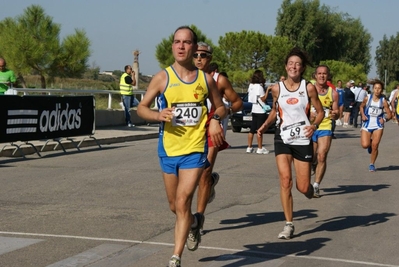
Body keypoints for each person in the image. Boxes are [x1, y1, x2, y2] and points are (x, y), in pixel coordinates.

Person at [137, 26, 226, 267]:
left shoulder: (205, 79)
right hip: (168, 149)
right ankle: (195, 222)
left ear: (194, 47)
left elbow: (220, 107)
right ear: (172, 46)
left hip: (195, 150)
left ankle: (175, 257)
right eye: (177, 41)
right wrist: (158, 115)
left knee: (184, 198)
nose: (181, 46)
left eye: (186, 42)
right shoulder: (162, 77)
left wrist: (216, 120)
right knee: (174, 206)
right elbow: (141, 107)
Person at [257, 47, 324, 239]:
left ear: (302, 68)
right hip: (283, 137)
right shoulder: (277, 88)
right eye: (291, 63)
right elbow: (274, 111)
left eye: (298, 64)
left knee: (302, 187)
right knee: (285, 181)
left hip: (303, 138)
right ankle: (288, 224)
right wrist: (264, 125)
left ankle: (311, 190)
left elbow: (320, 112)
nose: (294, 67)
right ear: (286, 66)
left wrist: (314, 125)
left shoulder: (308, 87)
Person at [192, 42, 243, 235]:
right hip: (191, 132)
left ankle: (199, 218)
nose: (198, 58)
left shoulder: (219, 80)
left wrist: (224, 112)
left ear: (210, 58)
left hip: (213, 130)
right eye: (195, 54)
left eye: (203, 55)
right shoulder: (185, 78)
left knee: (204, 173)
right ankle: (211, 183)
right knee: (192, 175)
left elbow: (238, 102)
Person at [310, 65, 339, 197]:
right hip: (309, 127)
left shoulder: (333, 93)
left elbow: (337, 112)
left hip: (325, 126)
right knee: (311, 157)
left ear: (328, 76)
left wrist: (335, 114)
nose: (322, 76)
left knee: (322, 155)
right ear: (315, 75)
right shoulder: (308, 89)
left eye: (324, 74)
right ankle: (312, 164)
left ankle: (316, 185)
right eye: (319, 73)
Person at [359, 79, 392, 172]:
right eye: (375, 88)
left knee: (375, 145)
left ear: (381, 90)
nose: (377, 90)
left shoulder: (383, 101)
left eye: (379, 88)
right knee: (365, 145)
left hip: (378, 125)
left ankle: (372, 164)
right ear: (373, 89)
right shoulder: (367, 98)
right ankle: (368, 145)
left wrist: (384, 119)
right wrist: (362, 115)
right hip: (367, 123)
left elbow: (390, 114)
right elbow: (361, 106)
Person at [247, 70, 270, 154]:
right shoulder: (259, 87)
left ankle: (249, 147)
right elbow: (263, 98)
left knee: (252, 129)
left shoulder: (251, 86)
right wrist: (268, 90)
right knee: (259, 130)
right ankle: (260, 148)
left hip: (254, 109)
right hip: (260, 111)